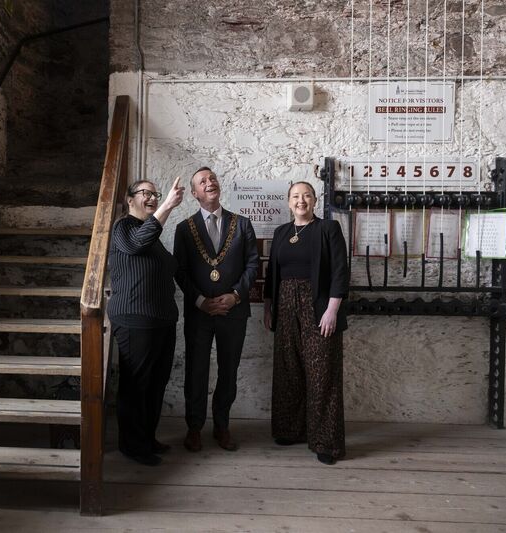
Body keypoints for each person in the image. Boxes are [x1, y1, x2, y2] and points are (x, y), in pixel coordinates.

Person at [262, 181, 349, 465]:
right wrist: (268, 306)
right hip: (284, 305)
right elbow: (272, 272)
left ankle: (326, 442)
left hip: (319, 307)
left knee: (322, 372)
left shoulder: (328, 229)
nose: (301, 200)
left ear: (314, 200)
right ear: (288, 202)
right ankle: (290, 430)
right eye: (296, 196)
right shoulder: (281, 233)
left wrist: (332, 310)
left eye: (307, 196)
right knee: (288, 368)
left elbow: (339, 271)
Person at [173, 167, 258, 452]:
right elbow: (180, 271)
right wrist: (200, 301)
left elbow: (252, 265)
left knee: (228, 371)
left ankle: (222, 426)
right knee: (196, 371)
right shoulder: (184, 229)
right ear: (195, 193)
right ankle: (194, 428)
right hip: (199, 313)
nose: (210, 183)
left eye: (212, 178)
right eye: (202, 181)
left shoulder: (243, 224)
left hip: (233, 312)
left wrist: (235, 296)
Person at [108, 177, 185, 466]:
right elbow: (135, 246)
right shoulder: (123, 227)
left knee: (156, 383)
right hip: (134, 318)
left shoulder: (151, 234)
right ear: (130, 199)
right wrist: (166, 206)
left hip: (161, 320)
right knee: (136, 385)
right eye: (146, 193)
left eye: (156, 194)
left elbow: (167, 264)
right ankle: (132, 446)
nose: (152, 197)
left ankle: (147, 439)